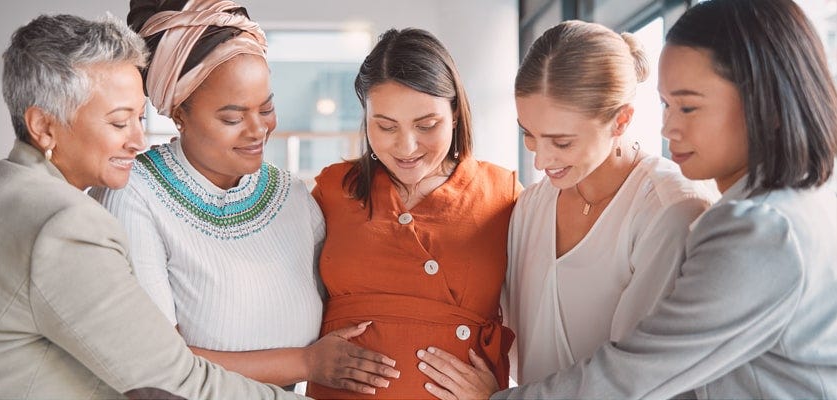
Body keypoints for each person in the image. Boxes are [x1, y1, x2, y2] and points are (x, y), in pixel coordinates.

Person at [419, 0, 837, 398]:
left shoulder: (756, 229)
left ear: (763, 101)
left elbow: (634, 377)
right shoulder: (786, 208)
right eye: (665, 104)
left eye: (688, 108)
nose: (669, 127)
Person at [0, 13, 303, 399]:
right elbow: (172, 382)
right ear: (44, 126)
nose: (138, 140)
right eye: (119, 124)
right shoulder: (64, 225)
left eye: (139, 117)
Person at [90, 0, 398, 394]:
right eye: (232, 118)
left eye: (267, 108)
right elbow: (154, 363)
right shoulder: (134, 194)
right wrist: (306, 362)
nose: (258, 130)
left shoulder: (292, 195)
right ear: (179, 114)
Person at [414, 19, 716, 398]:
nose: (540, 161)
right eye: (529, 134)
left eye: (562, 142)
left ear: (621, 120)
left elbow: (630, 382)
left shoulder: (670, 211)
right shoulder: (532, 205)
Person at [304, 28, 521, 399]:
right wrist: (305, 360)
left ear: (454, 113)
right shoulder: (332, 189)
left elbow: (545, 314)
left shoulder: (503, 195)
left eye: (426, 125)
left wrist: (500, 396)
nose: (406, 147)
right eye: (385, 126)